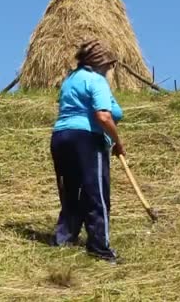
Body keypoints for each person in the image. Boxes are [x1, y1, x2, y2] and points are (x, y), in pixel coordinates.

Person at [50, 39, 125, 263]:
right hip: (87, 139)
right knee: (96, 193)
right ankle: (100, 248)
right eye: (110, 65)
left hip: (61, 137)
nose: (111, 69)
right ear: (101, 63)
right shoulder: (96, 80)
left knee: (70, 191)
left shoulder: (70, 80)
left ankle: (64, 238)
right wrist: (117, 141)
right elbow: (103, 116)